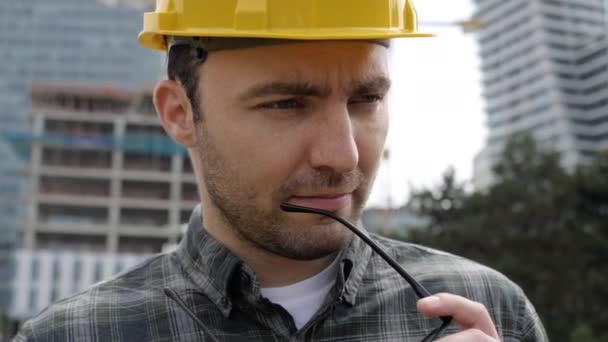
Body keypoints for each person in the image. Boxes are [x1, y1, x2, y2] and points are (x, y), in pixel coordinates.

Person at [15, 0, 548, 341]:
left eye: (367, 99)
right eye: (286, 104)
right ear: (180, 113)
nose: (343, 158)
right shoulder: (76, 335)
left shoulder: (492, 312)